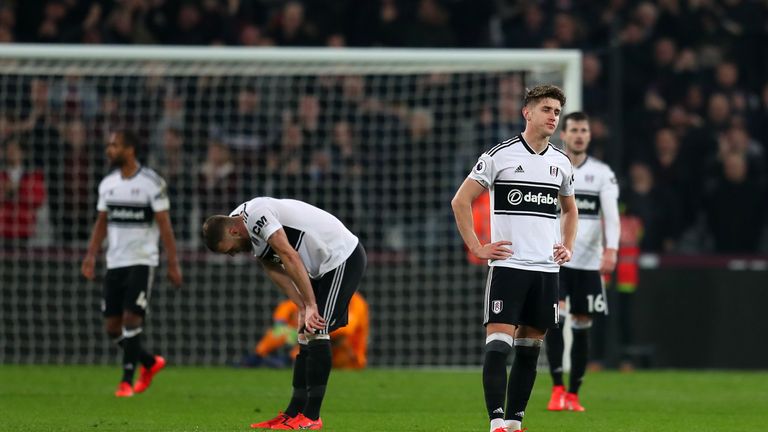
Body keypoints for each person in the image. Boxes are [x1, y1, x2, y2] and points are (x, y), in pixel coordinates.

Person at [451, 84, 578, 432]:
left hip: (546, 271)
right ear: (528, 112)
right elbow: (460, 201)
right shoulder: (499, 156)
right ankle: (495, 422)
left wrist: (566, 244)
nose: (553, 116)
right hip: (509, 266)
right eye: (547, 109)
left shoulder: (560, 162)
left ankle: (514, 423)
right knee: (498, 347)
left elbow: (570, 210)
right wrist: (477, 247)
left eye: (557, 111)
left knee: (528, 351)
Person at [202, 197, 367, 430]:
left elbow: (289, 255)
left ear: (233, 230)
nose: (232, 255)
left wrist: (310, 305)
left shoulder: (258, 216)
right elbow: (271, 265)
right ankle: (292, 413)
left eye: (229, 250)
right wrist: (300, 306)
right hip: (319, 268)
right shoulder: (240, 221)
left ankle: (311, 417)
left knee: (317, 330)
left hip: (341, 257)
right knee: (304, 333)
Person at [81, 130, 183, 398]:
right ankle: (149, 362)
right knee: (112, 327)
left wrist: (173, 263)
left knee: (131, 318)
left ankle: (126, 381)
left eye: (114, 145)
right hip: (114, 262)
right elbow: (102, 222)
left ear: (130, 150)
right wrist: (91, 255)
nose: (109, 150)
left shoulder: (152, 183)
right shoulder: (108, 184)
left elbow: (165, 226)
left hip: (142, 260)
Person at [544, 112, 620, 412]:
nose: (579, 135)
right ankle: (556, 389)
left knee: (581, 326)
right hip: (557, 260)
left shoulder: (602, 173)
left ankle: (574, 394)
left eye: (584, 130)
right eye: (573, 129)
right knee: (554, 322)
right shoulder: (551, 165)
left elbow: (611, 215)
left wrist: (611, 250)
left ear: (590, 135)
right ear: (564, 134)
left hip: (588, 263)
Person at [241, 292, 369, 370]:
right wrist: (281, 322)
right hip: (316, 347)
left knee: (320, 335)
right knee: (281, 331)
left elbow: (346, 330)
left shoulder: (356, 302)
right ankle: (257, 357)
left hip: (348, 360)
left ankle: (289, 360)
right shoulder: (321, 296)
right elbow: (287, 307)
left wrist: (305, 330)